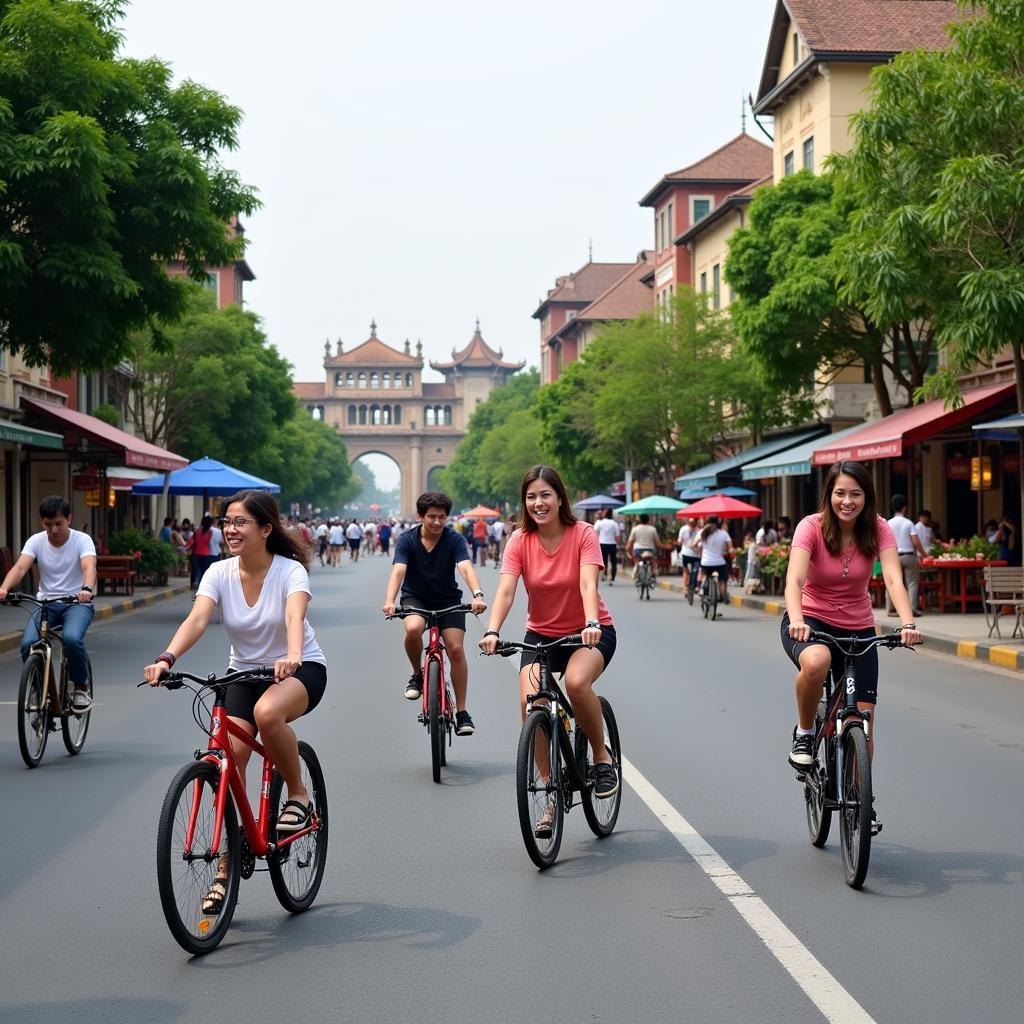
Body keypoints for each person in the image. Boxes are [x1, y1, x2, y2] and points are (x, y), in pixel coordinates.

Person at [143, 490, 327, 913]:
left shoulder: (290, 572)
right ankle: (226, 868)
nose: (230, 529)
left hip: (300, 670)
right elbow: (198, 619)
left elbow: (294, 616)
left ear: (266, 529)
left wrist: (293, 654)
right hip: (243, 673)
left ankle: (297, 793)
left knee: (267, 713)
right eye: (227, 521)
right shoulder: (218, 573)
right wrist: (167, 657)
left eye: (241, 522)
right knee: (227, 762)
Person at [783, 461, 921, 833]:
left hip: (859, 628)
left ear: (867, 497)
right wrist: (796, 619)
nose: (847, 501)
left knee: (865, 719)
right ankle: (805, 730)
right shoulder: (810, 527)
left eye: (855, 494)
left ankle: (863, 801)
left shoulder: (878, 529)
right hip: (809, 620)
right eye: (840, 493)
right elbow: (795, 580)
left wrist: (907, 623)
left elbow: (893, 577)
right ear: (828, 494)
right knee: (817, 661)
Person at [480, 465, 618, 823]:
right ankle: (550, 787)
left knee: (575, 682)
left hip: (589, 631)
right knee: (532, 703)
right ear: (524, 503)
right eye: (531, 497)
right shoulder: (518, 541)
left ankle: (601, 759)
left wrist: (590, 623)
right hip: (541, 634)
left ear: (559, 498)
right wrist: (493, 630)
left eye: (545, 495)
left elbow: (589, 585)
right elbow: (507, 590)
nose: (538, 503)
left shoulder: (583, 533)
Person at [382, 491, 487, 736]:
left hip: (448, 600)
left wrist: (478, 594)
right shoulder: (407, 539)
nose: (437, 522)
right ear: (421, 516)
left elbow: (465, 567)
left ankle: (462, 712)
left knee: (456, 649)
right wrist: (389, 600)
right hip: (415, 598)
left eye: (442, 517)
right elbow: (398, 570)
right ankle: (417, 674)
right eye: (432, 517)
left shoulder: (454, 539)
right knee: (413, 629)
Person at [0, 496, 96, 711]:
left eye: (59, 524)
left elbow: (89, 567)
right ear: (42, 522)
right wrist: (4, 588)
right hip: (45, 604)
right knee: (28, 644)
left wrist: (86, 589)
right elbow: (20, 568)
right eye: (48, 524)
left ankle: (80, 686)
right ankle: (37, 688)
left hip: (77, 604)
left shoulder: (82, 540)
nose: (53, 529)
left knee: (71, 639)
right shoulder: (36, 541)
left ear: (69, 519)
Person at [887, 494, 925, 616]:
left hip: (892, 556)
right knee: (912, 583)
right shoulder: (908, 523)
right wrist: (924, 555)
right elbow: (916, 542)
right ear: (904, 508)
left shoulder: (887, 523)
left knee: (892, 581)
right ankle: (912, 609)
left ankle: (892, 609)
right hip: (908, 555)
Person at [697, 514, 733, 604]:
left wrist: (700, 553)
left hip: (706, 562)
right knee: (722, 580)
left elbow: (697, 545)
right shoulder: (724, 533)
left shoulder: (703, 532)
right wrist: (730, 553)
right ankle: (723, 595)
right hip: (720, 562)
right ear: (718, 523)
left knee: (705, 574)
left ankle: (702, 588)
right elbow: (731, 549)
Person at [188, 513, 221, 590]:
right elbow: (209, 542)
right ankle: (201, 584)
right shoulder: (210, 532)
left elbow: (193, 540)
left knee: (198, 569)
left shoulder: (197, 531)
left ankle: (196, 581)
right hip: (206, 553)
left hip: (196, 553)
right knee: (204, 570)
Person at [625, 513, 660, 583]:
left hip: (638, 550)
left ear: (640, 520)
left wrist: (627, 549)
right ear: (648, 520)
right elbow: (657, 543)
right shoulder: (653, 529)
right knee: (653, 562)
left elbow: (630, 542)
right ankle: (653, 572)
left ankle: (636, 567)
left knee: (637, 561)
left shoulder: (635, 529)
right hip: (650, 550)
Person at [594, 509, 622, 584]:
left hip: (602, 544)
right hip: (612, 544)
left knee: (603, 561)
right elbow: (617, 536)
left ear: (605, 514)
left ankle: (604, 574)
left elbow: (595, 533)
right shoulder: (614, 524)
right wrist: (619, 545)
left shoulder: (600, 523)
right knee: (613, 562)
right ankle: (612, 578)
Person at [677, 515, 700, 594]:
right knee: (694, 570)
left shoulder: (683, 529)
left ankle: (686, 587)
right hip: (694, 554)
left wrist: (680, 542)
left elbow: (679, 540)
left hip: (687, 554)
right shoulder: (699, 531)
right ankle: (692, 586)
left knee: (686, 571)